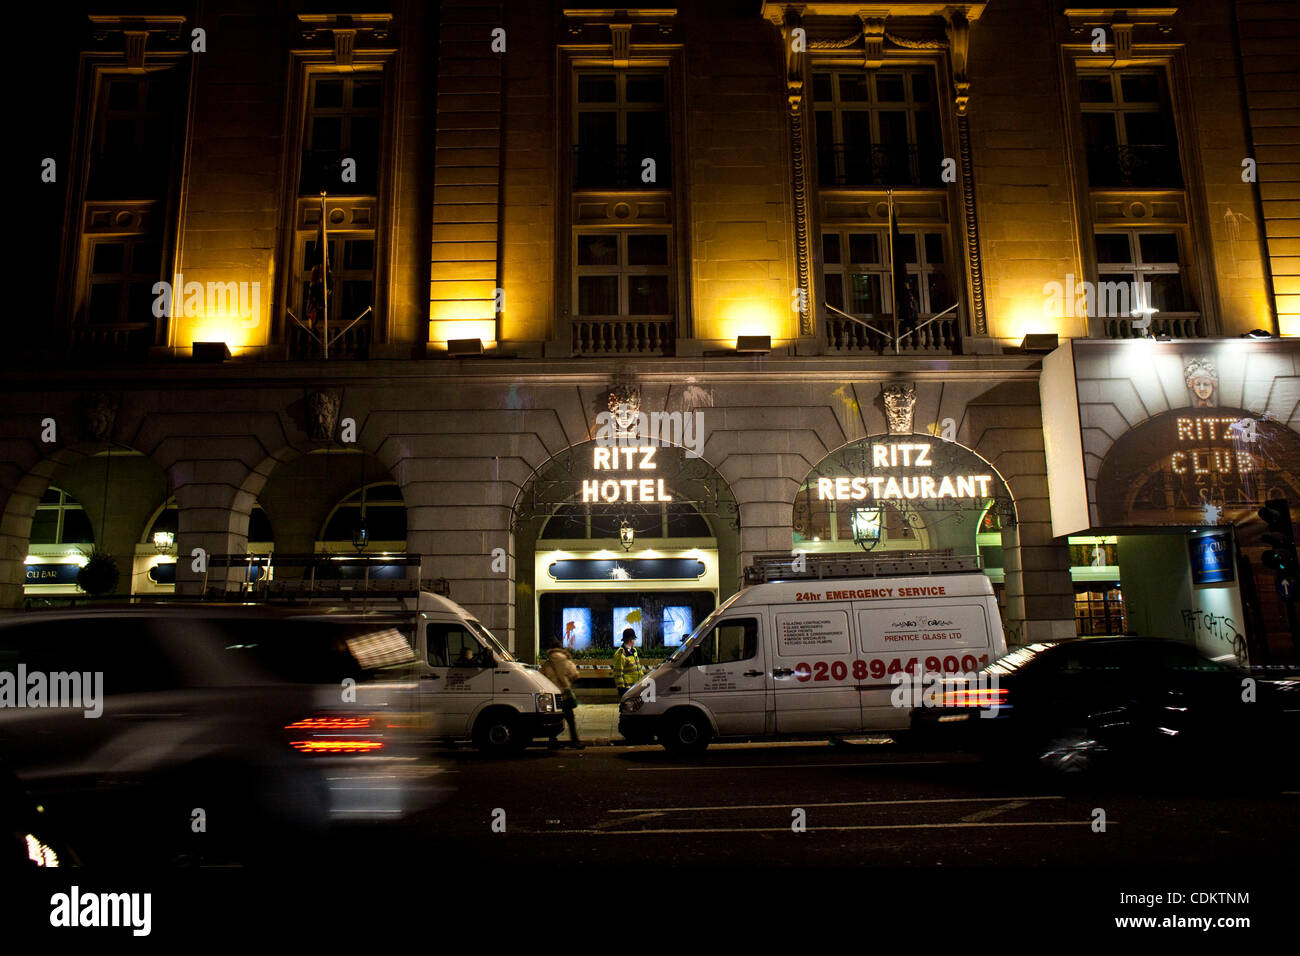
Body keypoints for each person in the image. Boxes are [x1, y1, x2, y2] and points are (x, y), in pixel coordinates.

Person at [539, 639, 583, 749]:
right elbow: (575, 674)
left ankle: (553, 741)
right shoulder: (565, 660)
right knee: (570, 719)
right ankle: (575, 741)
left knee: (553, 718)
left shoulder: (548, 663)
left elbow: (542, 676)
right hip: (564, 694)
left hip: (553, 695)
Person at [613, 629, 643, 697]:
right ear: (630, 640)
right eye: (633, 639)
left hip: (636, 687)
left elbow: (638, 668)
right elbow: (618, 672)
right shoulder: (620, 653)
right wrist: (621, 688)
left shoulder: (634, 650)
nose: (634, 641)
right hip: (627, 689)